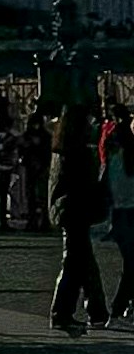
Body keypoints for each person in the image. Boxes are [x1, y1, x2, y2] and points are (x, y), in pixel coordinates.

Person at [49, 108, 109, 337]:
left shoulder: (61, 151)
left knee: (81, 261)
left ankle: (96, 311)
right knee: (75, 263)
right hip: (76, 210)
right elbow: (87, 184)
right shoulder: (78, 154)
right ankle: (63, 313)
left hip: (68, 210)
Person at [102, 112, 134, 321]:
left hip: (119, 214)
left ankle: (122, 305)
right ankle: (121, 304)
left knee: (130, 263)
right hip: (131, 212)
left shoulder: (113, 161)